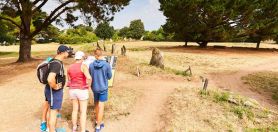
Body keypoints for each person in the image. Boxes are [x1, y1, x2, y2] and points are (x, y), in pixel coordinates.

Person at [45, 45, 69, 132]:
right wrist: (55, 86)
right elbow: (50, 79)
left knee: (51, 110)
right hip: (54, 91)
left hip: (50, 90)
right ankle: (52, 130)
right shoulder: (57, 63)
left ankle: (50, 128)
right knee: (54, 112)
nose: (68, 53)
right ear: (62, 53)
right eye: (67, 51)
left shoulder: (53, 61)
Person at [67, 51, 92, 132]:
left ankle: (74, 127)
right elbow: (89, 77)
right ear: (81, 58)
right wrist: (89, 86)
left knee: (74, 109)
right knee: (83, 112)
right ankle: (83, 130)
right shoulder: (83, 66)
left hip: (72, 90)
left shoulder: (69, 66)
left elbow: (69, 80)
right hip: (81, 90)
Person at [89, 48, 112, 132]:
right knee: (101, 106)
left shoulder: (91, 65)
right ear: (102, 55)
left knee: (96, 104)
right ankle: (98, 126)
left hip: (94, 87)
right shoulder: (106, 65)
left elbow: (90, 76)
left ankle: (98, 120)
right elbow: (109, 76)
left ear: (95, 55)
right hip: (103, 88)